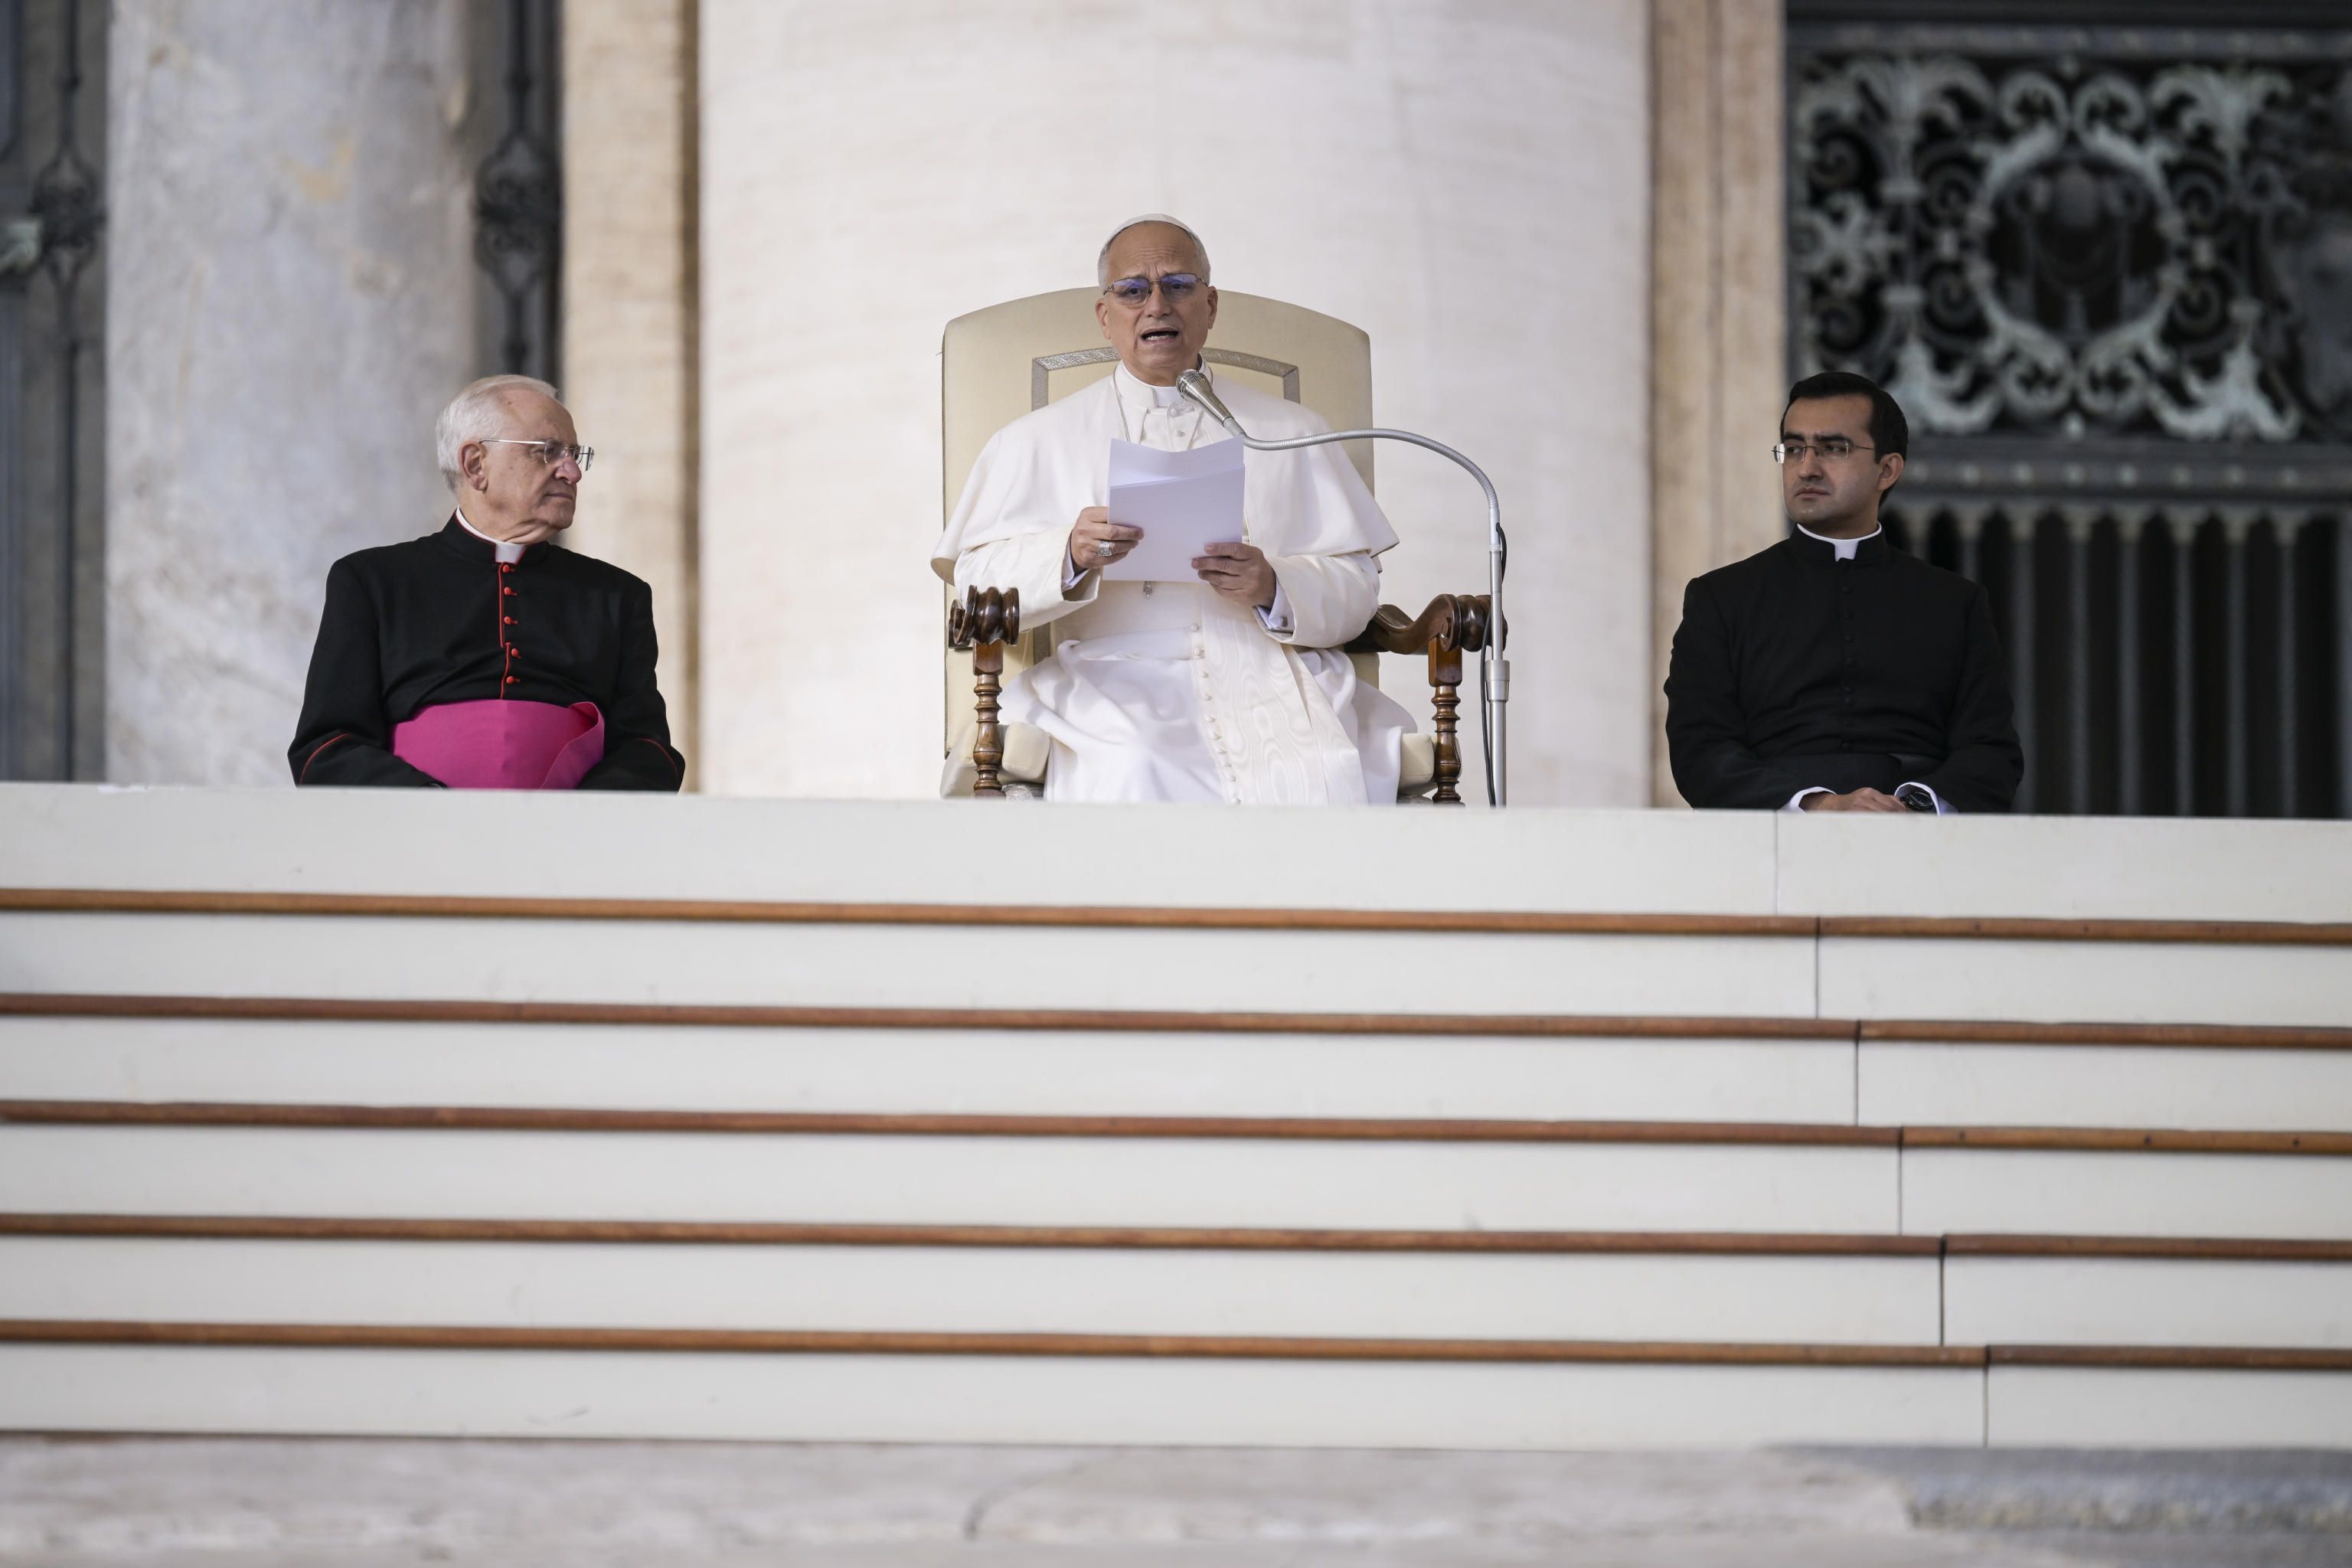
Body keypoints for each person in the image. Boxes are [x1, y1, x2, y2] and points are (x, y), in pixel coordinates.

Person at [931, 214, 1413, 803]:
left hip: (1273, 674)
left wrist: (1274, 585)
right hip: (1111, 678)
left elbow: (1358, 586)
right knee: (1136, 764)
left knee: (1321, 769)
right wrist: (1068, 554)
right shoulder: (1033, 440)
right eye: (1133, 290)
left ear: (1210, 306)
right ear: (1105, 316)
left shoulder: (1289, 431)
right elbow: (975, 586)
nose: (1157, 304)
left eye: (1178, 286)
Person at [289, 375, 685, 790]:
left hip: (570, 842)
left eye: (574, 454)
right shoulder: (374, 582)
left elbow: (648, 748)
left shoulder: (617, 596)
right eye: (548, 451)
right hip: (414, 838)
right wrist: (429, 809)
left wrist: (576, 817)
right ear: (475, 465)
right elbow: (327, 746)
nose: (572, 472)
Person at [1664, 371, 2022, 813]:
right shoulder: (1720, 599)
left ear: (1887, 469)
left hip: (1923, 846)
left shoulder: (1956, 603)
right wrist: (1817, 805)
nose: (1806, 467)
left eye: (1833, 448)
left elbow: (1991, 750)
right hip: (1770, 843)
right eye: (1794, 449)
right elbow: (1700, 751)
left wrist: (1914, 805)